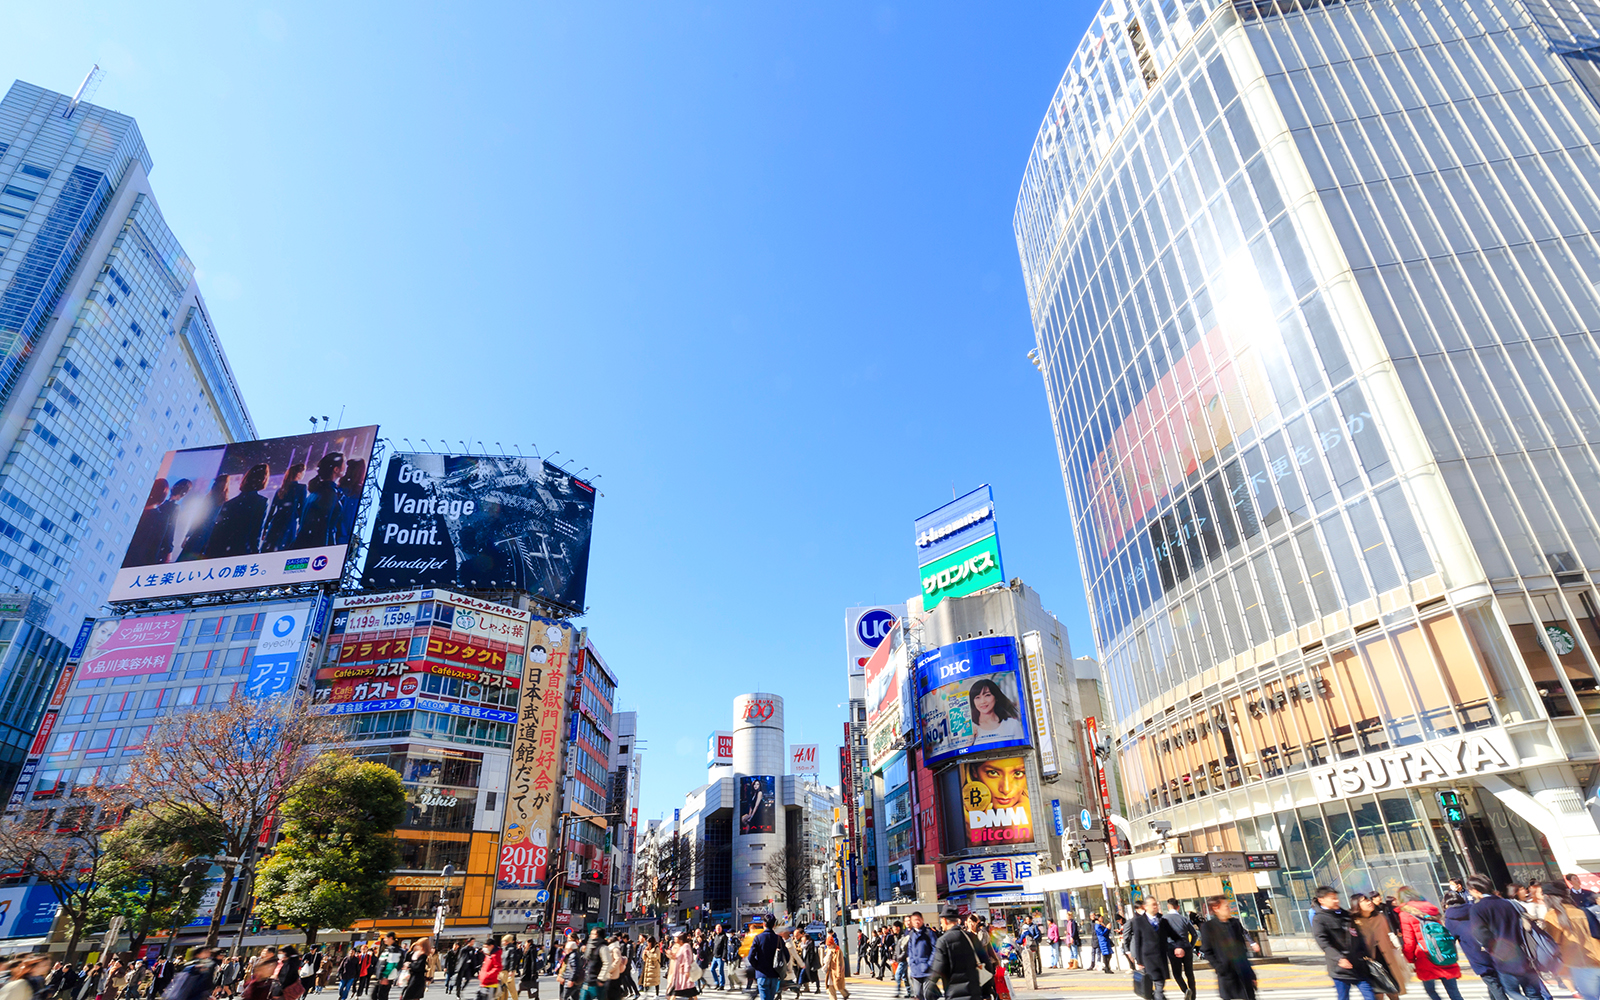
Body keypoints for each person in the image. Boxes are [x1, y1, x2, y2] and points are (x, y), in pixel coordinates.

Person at [1468, 873, 1544, 1000]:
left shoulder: (1478, 908)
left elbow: (1481, 934)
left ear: (1475, 891)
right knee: (1534, 993)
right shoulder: (1508, 903)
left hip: (1502, 957)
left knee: (1512, 992)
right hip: (1524, 953)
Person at [1396, 886, 1462, 1000]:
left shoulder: (1405, 913)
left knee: (1430, 990)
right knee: (1454, 991)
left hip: (1425, 955)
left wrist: (1410, 959)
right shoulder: (1431, 909)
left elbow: (1409, 941)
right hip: (1443, 951)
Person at [1313, 885, 1375, 1000]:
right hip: (1340, 969)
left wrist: (1366, 953)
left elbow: (1358, 935)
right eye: (1332, 898)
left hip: (1358, 964)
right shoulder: (1319, 919)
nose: (1336, 900)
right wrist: (1339, 958)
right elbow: (1323, 942)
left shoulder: (1345, 915)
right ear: (1321, 900)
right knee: (1343, 997)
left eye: (1336, 897)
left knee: (1370, 996)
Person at [1541, 881, 1600, 1000]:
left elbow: (1553, 943)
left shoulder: (1552, 916)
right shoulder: (1583, 911)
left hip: (1580, 964)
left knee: (1591, 997)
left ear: (1547, 897)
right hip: (1597, 958)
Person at [1199, 895, 1258, 1000]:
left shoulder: (1235, 923)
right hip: (1227, 975)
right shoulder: (1209, 927)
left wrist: (1251, 974)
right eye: (1226, 907)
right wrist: (1220, 968)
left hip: (1243, 974)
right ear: (1216, 908)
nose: (1229, 909)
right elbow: (1207, 951)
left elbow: (1243, 950)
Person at [1353, 893, 1409, 1000]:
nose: (1369, 902)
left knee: (1393, 992)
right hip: (1370, 963)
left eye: (1368, 900)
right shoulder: (1354, 922)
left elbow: (1387, 937)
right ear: (1357, 905)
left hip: (1386, 960)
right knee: (1377, 995)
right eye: (1364, 900)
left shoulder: (1379, 917)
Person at [1129, 896, 1186, 1000]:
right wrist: (1138, 960)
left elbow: (1176, 936)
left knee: (1159, 986)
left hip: (1161, 958)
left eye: (1156, 904)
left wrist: (1179, 947)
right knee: (1158, 985)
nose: (1156, 907)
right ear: (1145, 907)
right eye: (1153, 904)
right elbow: (1138, 941)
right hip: (1148, 959)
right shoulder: (1139, 921)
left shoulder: (1162, 921)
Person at [297, 452, 348, 548]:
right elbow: (323, 529)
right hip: (319, 549)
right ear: (336, 469)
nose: (346, 466)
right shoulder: (329, 493)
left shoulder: (317, 491)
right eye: (344, 463)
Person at [929, 908, 981, 1000]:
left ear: (944, 920)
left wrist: (928, 990)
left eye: (941, 921)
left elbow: (937, 970)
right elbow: (985, 962)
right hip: (974, 993)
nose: (941, 924)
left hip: (954, 994)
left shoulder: (943, 941)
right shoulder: (971, 937)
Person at [1162, 900, 1198, 1000]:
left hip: (1172, 949)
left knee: (1177, 973)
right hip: (1186, 948)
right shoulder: (1184, 918)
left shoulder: (1164, 919)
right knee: (1189, 973)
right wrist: (1190, 946)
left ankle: (1186, 990)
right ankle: (1193, 996)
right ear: (1178, 907)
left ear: (1168, 907)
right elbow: (1194, 934)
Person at [747, 919, 789, 1000]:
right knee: (771, 997)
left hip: (762, 973)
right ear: (774, 925)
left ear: (764, 924)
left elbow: (750, 957)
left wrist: (757, 966)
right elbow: (786, 957)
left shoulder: (758, 938)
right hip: (775, 974)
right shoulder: (779, 939)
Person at [905, 912, 937, 1000]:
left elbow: (935, 949)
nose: (917, 922)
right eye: (914, 920)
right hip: (915, 969)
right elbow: (910, 949)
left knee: (927, 994)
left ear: (922, 920)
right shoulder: (911, 934)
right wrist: (911, 962)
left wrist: (929, 963)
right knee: (918, 993)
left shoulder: (929, 932)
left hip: (927, 969)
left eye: (918, 920)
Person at [667, 932, 701, 999]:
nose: (674, 939)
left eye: (676, 937)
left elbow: (687, 959)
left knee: (685, 990)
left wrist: (686, 970)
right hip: (681, 974)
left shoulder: (686, 946)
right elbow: (679, 957)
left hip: (684, 974)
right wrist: (671, 955)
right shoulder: (682, 946)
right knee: (688, 990)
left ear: (680, 939)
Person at [819, 936, 846, 1000]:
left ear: (832, 944)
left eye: (829, 945)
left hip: (835, 971)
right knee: (831, 986)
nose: (827, 946)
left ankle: (845, 994)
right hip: (830, 971)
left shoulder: (837, 950)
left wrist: (839, 973)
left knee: (838, 986)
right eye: (827, 945)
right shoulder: (828, 950)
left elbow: (839, 963)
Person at [709, 926, 728, 994]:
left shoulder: (724, 936)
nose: (718, 930)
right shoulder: (716, 936)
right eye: (717, 929)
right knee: (712, 969)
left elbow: (725, 947)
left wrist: (724, 956)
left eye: (719, 928)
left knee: (720, 970)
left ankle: (722, 984)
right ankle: (717, 982)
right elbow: (713, 946)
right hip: (715, 956)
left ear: (721, 929)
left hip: (720, 956)